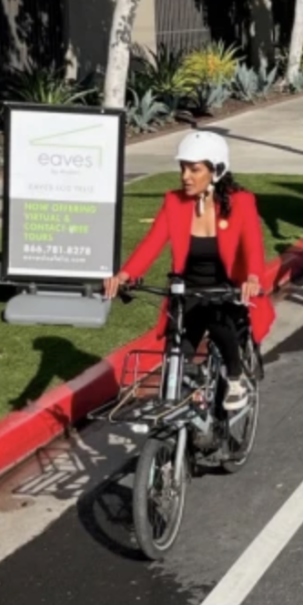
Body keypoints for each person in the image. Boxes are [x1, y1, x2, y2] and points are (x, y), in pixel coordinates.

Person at [104, 131, 272, 412]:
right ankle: (185, 404)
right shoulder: (174, 202)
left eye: (195, 169)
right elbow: (151, 243)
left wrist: (253, 278)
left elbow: (253, 246)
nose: (185, 176)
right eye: (183, 168)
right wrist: (123, 277)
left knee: (218, 319)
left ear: (215, 170)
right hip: (187, 288)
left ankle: (235, 378)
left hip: (226, 287)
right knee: (177, 351)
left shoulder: (241, 201)